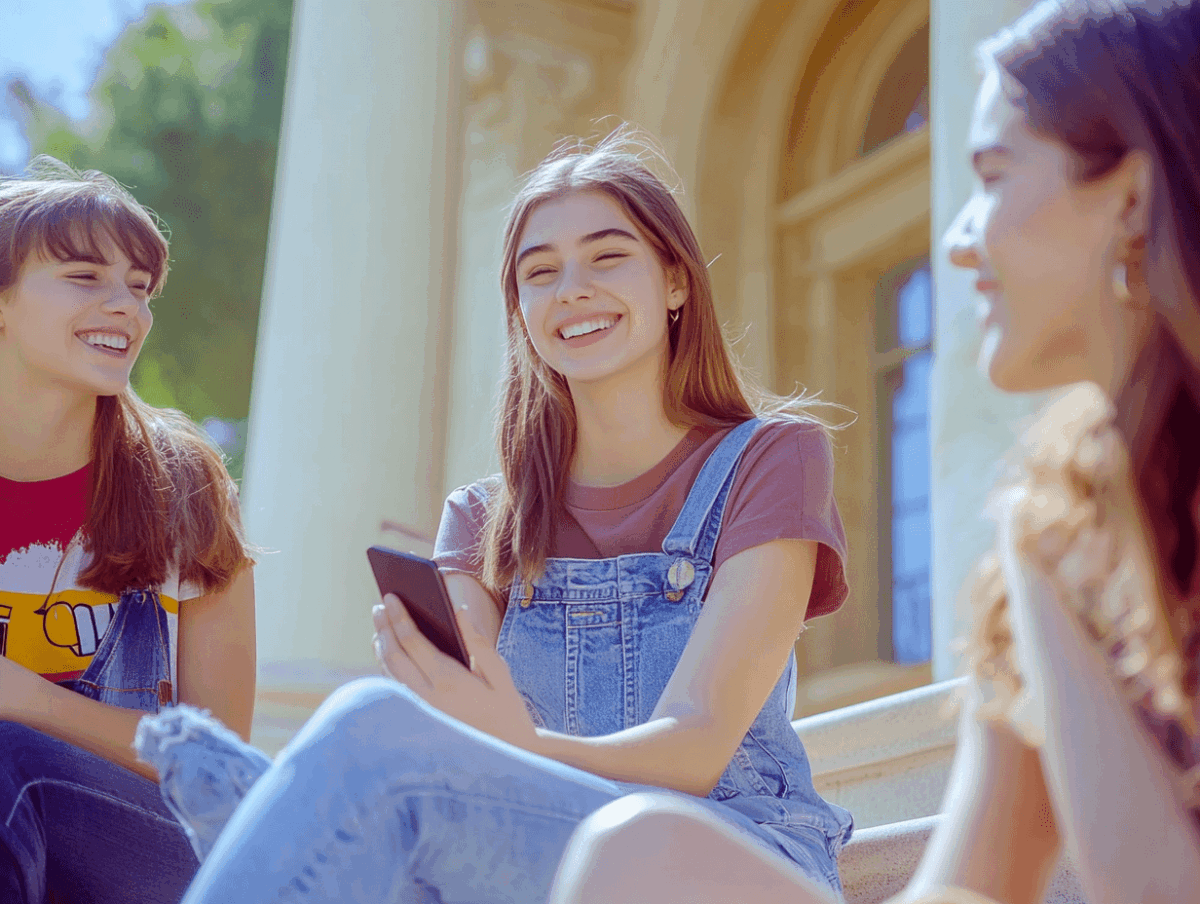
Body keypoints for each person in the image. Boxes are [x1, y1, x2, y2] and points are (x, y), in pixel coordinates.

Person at [541, 2, 1200, 903]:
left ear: (1128, 197)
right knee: (640, 852)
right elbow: (973, 889)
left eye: (993, 177)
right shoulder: (1059, 530)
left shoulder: (1051, 539)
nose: (956, 241)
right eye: (539, 272)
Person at [132, 126, 857, 903]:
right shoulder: (483, 520)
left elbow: (697, 747)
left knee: (367, 731)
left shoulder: (772, 459)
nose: (571, 289)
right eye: (540, 273)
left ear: (675, 281)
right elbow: (461, 747)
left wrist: (520, 744)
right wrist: (459, 719)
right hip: (541, 863)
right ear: (521, 310)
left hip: (735, 855)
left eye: (608, 257)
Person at [0, 158, 258, 904]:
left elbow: (220, 765)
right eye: (85, 277)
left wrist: (27, 702)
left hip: (148, 853)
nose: (128, 309)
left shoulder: (184, 487)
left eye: (140, 288)